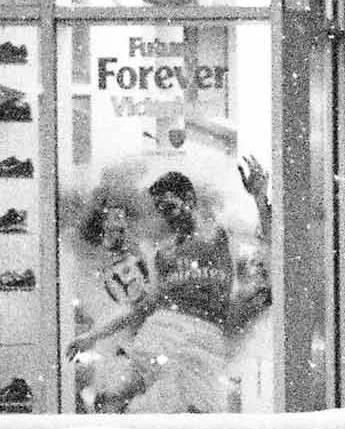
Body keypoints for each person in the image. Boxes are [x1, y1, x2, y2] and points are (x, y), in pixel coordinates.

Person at [66, 167, 271, 412]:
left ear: (190, 200)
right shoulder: (163, 253)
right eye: (161, 210)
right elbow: (141, 307)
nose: (167, 216)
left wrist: (260, 198)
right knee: (116, 394)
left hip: (206, 339)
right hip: (163, 331)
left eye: (170, 207)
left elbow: (270, 238)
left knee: (203, 417)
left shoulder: (223, 234)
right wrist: (93, 336)